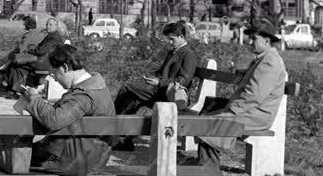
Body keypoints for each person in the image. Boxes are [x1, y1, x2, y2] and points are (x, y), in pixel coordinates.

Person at [15, 43, 115, 176]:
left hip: (76, 159)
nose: (54, 78)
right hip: (93, 154)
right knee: (33, 161)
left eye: (55, 74)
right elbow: (68, 114)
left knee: (20, 162)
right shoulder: (97, 85)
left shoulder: (84, 95)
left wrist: (34, 100)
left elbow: (55, 120)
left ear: (66, 68)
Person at [191, 18, 287, 166]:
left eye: (254, 39)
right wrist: (240, 72)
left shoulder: (270, 62)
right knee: (210, 107)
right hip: (251, 111)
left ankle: (207, 168)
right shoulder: (264, 58)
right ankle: (204, 161)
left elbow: (254, 95)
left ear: (267, 41)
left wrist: (231, 110)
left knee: (215, 121)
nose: (250, 42)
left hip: (258, 115)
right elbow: (257, 78)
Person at [113, 20, 198, 151]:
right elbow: (161, 71)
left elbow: (183, 80)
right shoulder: (173, 52)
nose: (169, 42)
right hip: (159, 89)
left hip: (169, 95)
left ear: (181, 37)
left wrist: (159, 82)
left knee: (127, 87)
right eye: (168, 39)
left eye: (172, 39)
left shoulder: (188, 54)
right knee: (131, 99)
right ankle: (124, 140)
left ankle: (110, 124)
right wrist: (150, 77)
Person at [0, 17, 64, 97]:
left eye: (50, 25)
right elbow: (41, 49)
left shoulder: (53, 38)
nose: (48, 26)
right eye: (47, 24)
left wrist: (29, 51)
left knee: (16, 63)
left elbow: (40, 51)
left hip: (44, 63)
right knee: (18, 64)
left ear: (56, 26)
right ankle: (17, 89)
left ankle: (15, 89)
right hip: (45, 61)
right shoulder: (53, 36)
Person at [0, 16, 46, 88]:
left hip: (28, 58)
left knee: (12, 60)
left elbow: (21, 49)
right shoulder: (40, 34)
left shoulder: (27, 35)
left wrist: (13, 52)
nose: (23, 25)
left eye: (25, 24)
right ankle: (0, 78)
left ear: (28, 25)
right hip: (38, 58)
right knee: (10, 59)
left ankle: (3, 76)